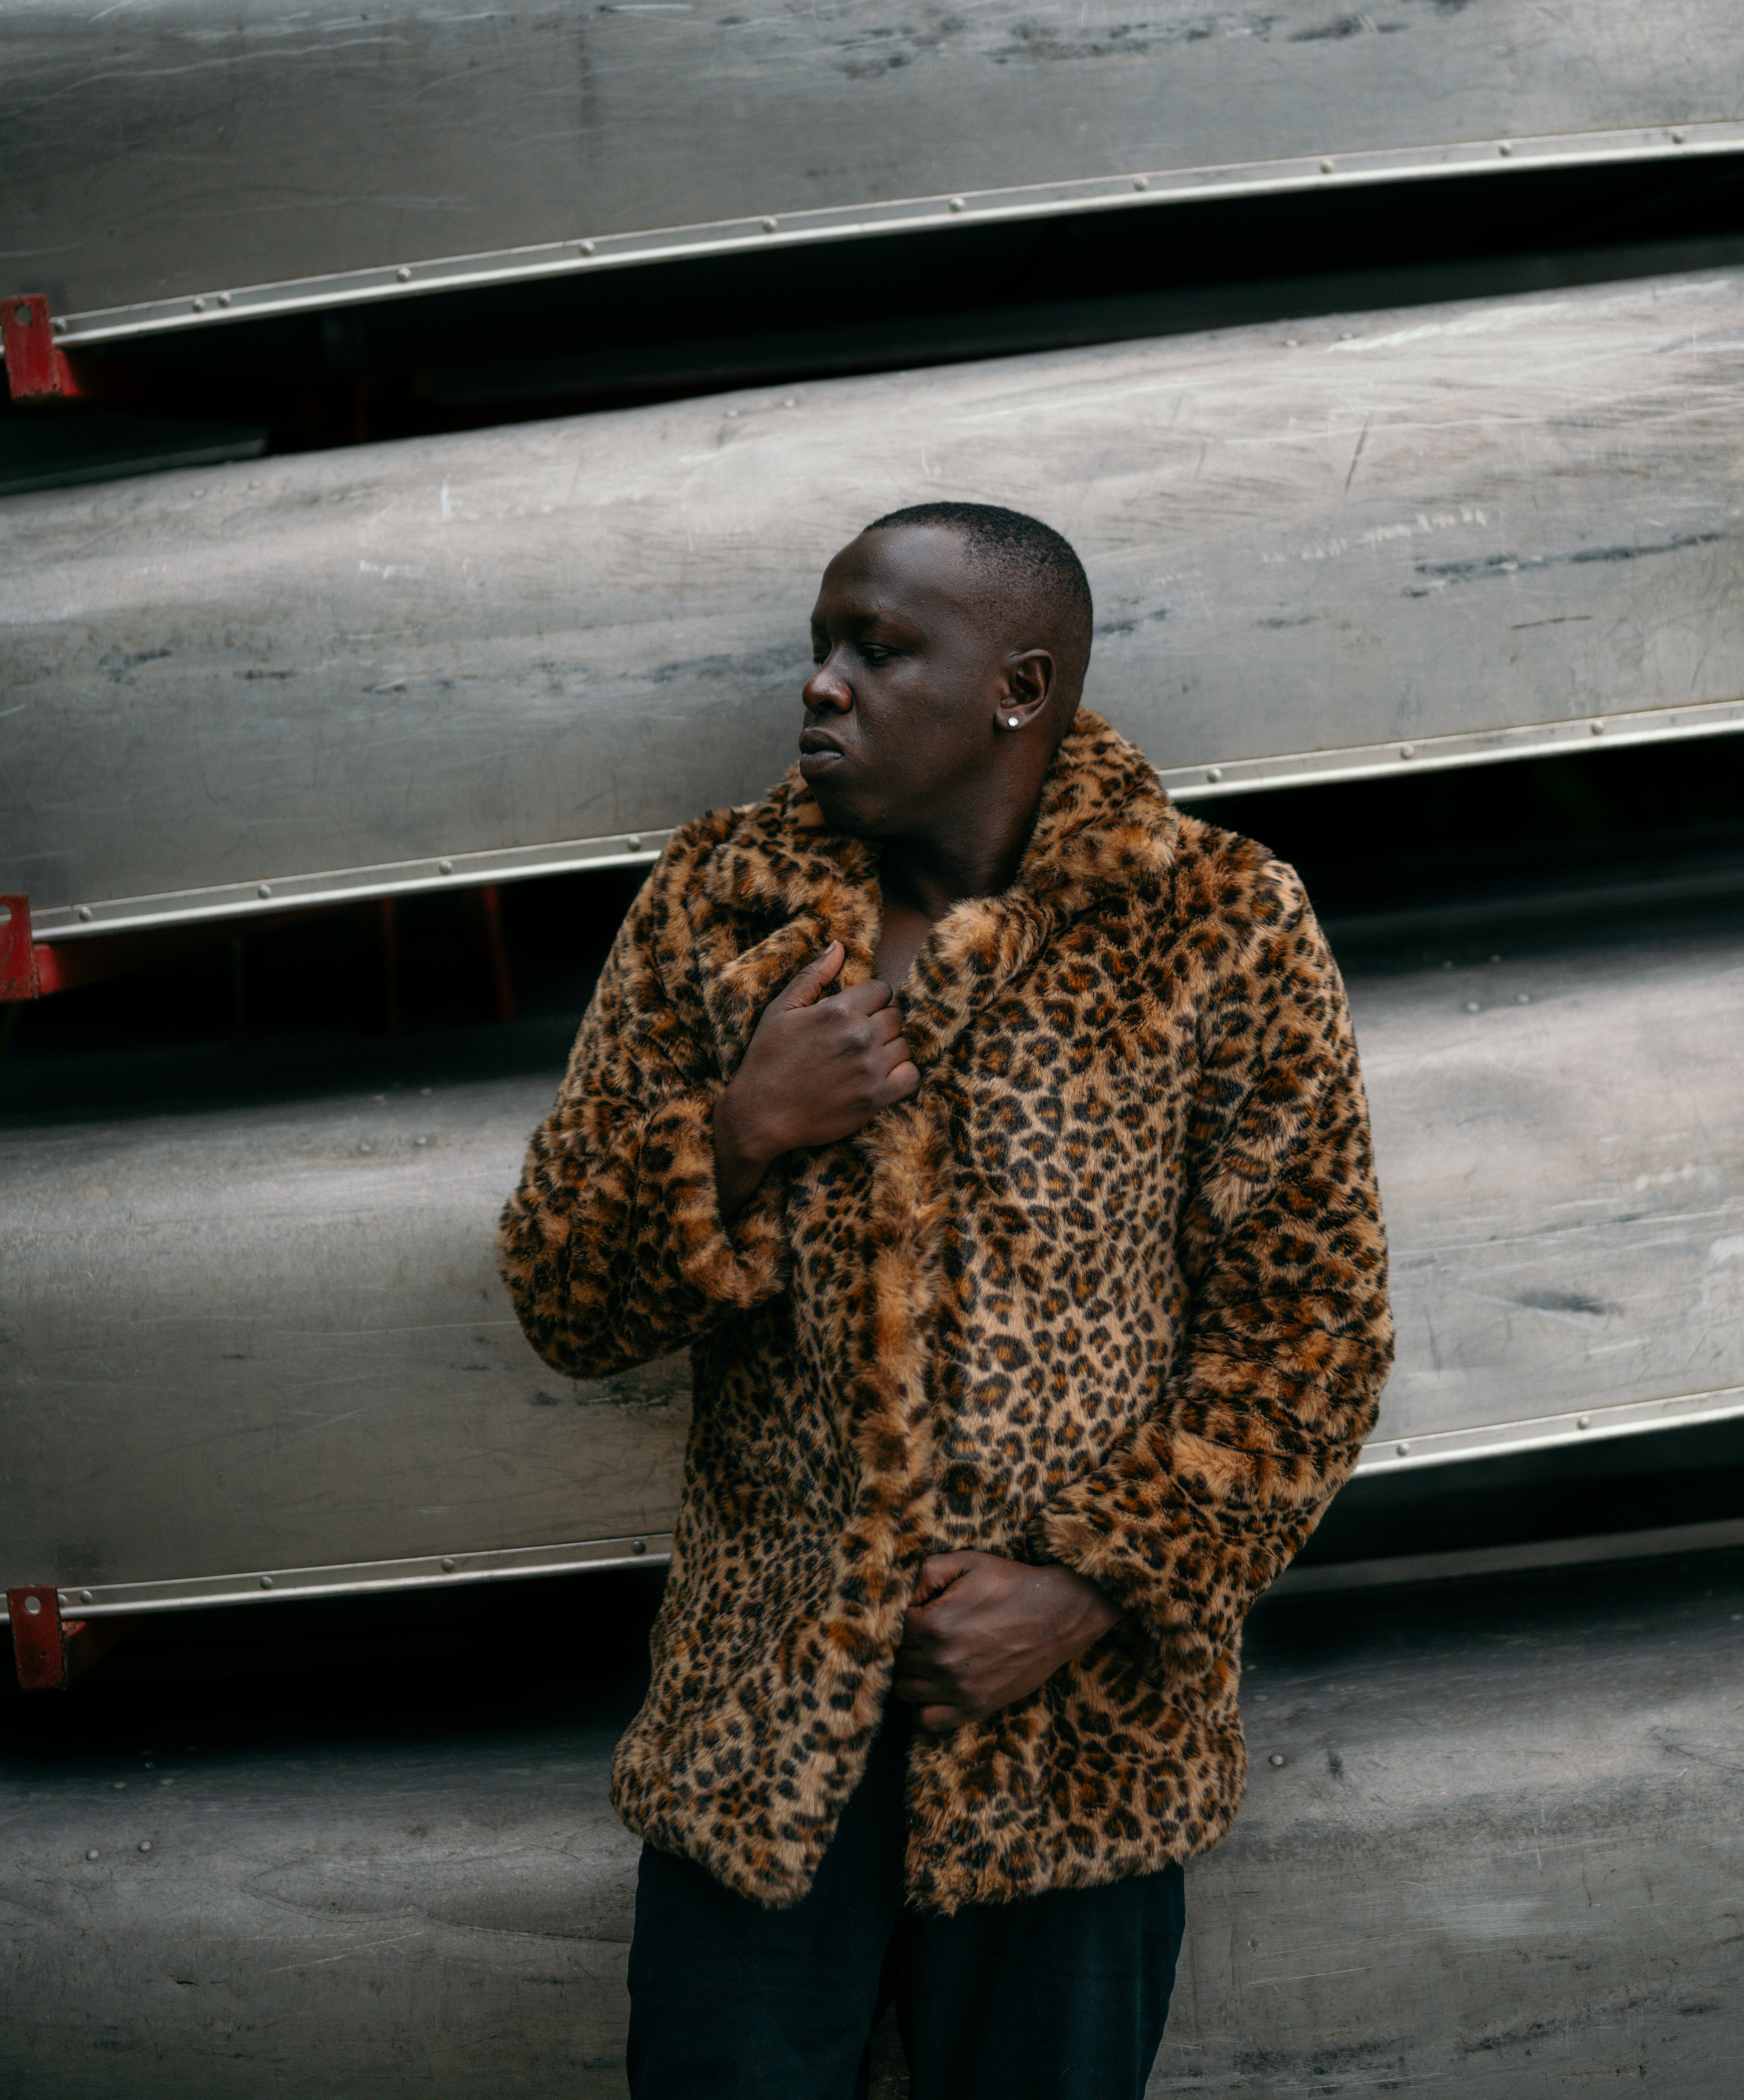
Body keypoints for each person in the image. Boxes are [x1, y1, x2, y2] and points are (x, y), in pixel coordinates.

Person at [498, 502, 1392, 2099]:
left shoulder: (1219, 924)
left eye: (881, 647)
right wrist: (742, 1132)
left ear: (1018, 686)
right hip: (762, 1736)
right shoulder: (720, 906)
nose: (822, 683)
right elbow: (562, 1289)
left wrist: (1088, 1587)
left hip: (1076, 1749)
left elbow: (1308, 1341)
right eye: (820, 646)